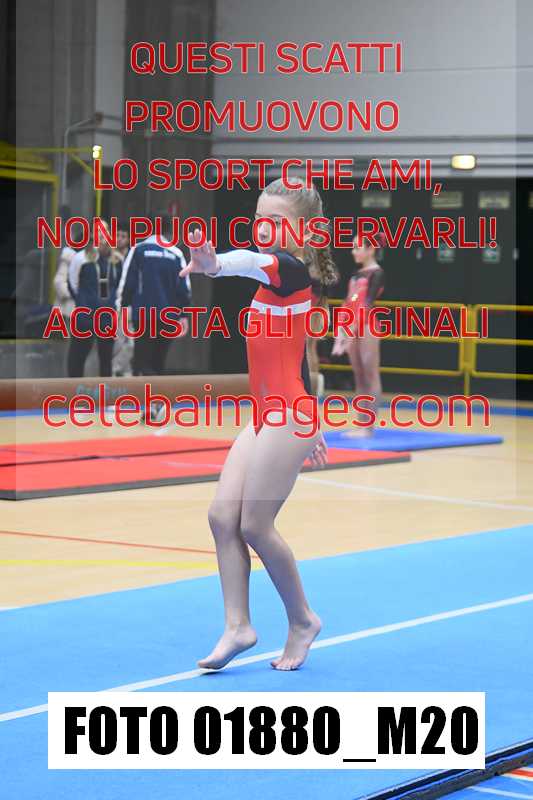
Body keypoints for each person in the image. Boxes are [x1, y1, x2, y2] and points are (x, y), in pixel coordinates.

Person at [179, 179, 337, 671]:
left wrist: (215, 264)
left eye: (275, 222)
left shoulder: (289, 269)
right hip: (272, 414)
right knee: (221, 516)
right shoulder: (280, 283)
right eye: (258, 219)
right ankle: (238, 626)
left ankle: (303, 620)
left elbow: (253, 261)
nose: (263, 229)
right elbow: (299, 358)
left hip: (287, 414)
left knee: (255, 525)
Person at [115, 215, 191, 376]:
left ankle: (141, 387)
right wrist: (184, 314)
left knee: (141, 363)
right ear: (168, 229)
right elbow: (184, 288)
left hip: (144, 314)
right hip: (168, 315)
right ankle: (156, 389)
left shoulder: (139, 250)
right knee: (158, 363)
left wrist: (122, 307)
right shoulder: (176, 254)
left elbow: (128, 282)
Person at [331, 233, 386, 434]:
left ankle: (368, 428)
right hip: (352, 326)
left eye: (357, 247)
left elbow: (367, 303)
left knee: (370, 375)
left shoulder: (377, 273)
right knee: (359, 376)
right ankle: (361, 424)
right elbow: (348, 302)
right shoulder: (356, 274)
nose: (353, 251)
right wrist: (341, 329)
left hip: (367, 326)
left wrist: (353, 327)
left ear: (370, 249)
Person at [66, 232, 122, 377]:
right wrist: (83, 300)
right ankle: (74, 387)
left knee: (106, 358)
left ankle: (106, 389)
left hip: (107, 315)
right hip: (85, 313)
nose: (103, 241)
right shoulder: (81, 258)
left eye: (106, 237)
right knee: (78, 356)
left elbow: (120, 285)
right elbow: (72, 283)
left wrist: (113, 303)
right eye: (99, 237)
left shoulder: (117, 260)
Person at [111, 221, 134, 377]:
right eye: (117, 235)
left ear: (129, 239)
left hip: (131, 304)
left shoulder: (134, 256)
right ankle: (114, 372)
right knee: (117, 341)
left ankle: (124, 369)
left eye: (123, 236)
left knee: (132, 342)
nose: (119, 239)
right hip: (116, 305)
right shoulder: (110, 257)